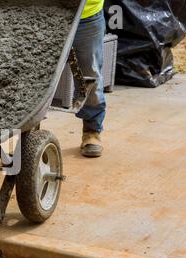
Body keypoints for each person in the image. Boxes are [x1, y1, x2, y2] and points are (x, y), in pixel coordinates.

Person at [74, 0, 107, 158]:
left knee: (90, 74)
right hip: (40, 10)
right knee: (35, 71)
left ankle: (91, 131)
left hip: (86, 14)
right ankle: (29, 131)